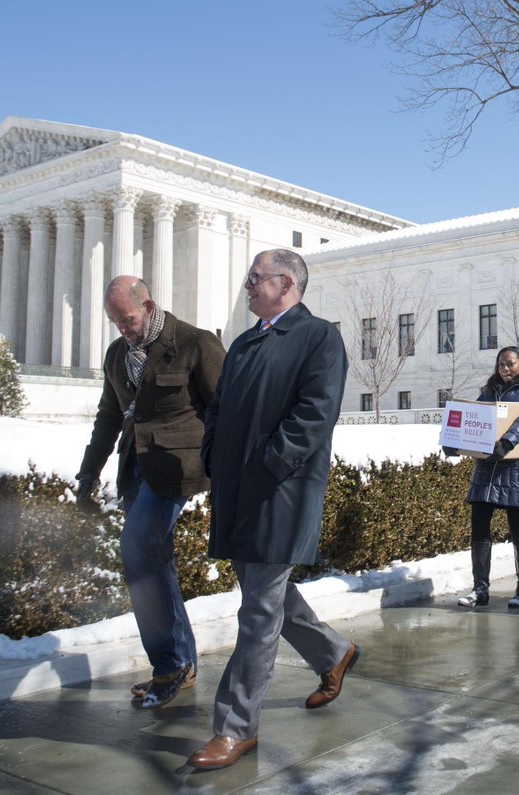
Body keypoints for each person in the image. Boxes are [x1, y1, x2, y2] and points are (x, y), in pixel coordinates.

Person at [189, 249, 356, 770]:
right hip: (239, 491)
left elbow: (314, 416)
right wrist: (214, 454)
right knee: (269, 597)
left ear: (285, 283)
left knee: (258, 611)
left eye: (254, 278)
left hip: (280, 491)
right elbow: (217, 407)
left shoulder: (318, 337)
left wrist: (265, 463)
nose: (247, 285)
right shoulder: (243, 343)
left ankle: (235, 728)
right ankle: (333, 654)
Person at [75, 276, 223, 709]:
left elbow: (226, 410)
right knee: (157, 563)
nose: (123, 329)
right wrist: (87, 476)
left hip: (179, 469)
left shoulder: (196, 344)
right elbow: (108, 417)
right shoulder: (117, 356)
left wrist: (230, 472)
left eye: (128, 319)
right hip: (134, 471)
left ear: (149, 305)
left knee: (137, 550)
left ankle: (168, 666)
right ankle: (184, 661)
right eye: (115, 323)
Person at [453, 345, 519, 609]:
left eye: (510, 364)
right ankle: (480, 589)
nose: (505, 369)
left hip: (516, 468)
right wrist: (456, 440)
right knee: (479, 529)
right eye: (501, 364)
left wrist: (507, 441)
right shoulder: (489, 390)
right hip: (487, 466)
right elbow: (473, 418)